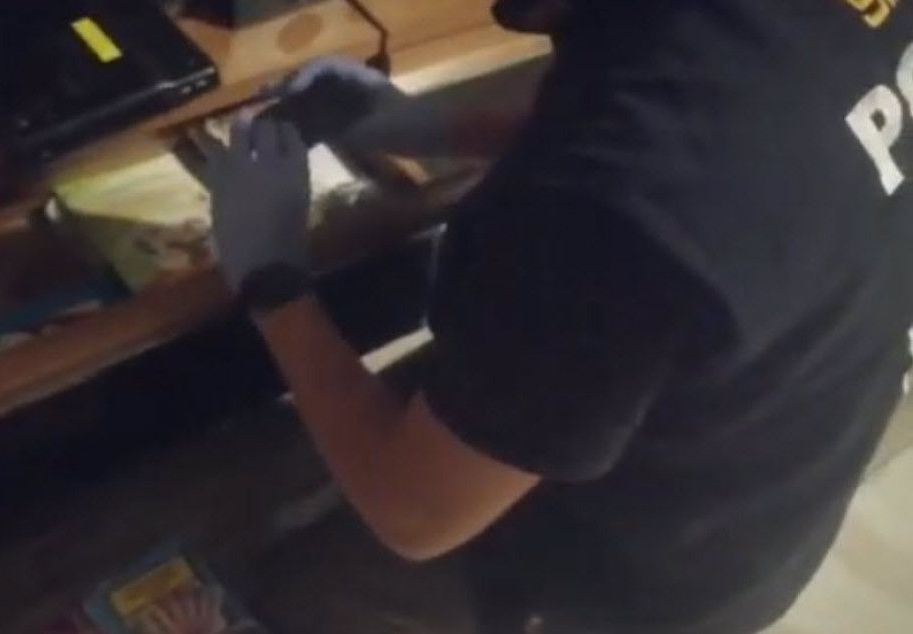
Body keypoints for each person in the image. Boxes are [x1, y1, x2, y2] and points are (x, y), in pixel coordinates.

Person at [206, 1, 913, 632]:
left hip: (642, 578)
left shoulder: (616, 223)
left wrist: (274, 284)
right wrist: (430, 125)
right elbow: (669, 110)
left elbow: (414, 514)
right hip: (772, 450)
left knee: (314, 584)